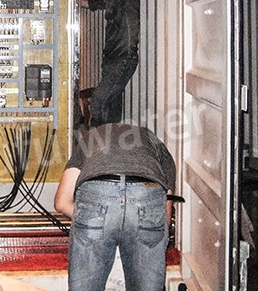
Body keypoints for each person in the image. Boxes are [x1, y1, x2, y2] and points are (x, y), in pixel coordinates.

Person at [54, 123, 176, 291]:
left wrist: (92, 217)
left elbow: (61, 202)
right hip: (145, 192)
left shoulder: (90, 139)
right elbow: (164, 215)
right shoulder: (154, 142)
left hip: (98, 189)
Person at [79, 0, 140, 127]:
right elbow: (89, 3)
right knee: (111, 108)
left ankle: (96, 140)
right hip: (112, 59)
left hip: (123, 58)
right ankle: (111, 141)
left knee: (98, 103)